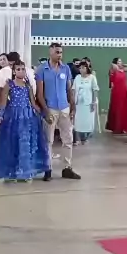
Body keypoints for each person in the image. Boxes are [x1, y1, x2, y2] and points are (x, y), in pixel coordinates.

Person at [0, 60, 50, 181]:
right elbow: (3, 103)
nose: (21, 71)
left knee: (26, 144)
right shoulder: (9, 84)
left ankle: (25, 171)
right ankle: (13, 171)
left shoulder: (28, 85)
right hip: (13, 116)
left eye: (23, 69)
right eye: (18, 69)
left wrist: (43, 114)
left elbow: (33, 103)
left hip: (28, 117)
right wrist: (0, 115)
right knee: (13, 143)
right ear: (14, 71)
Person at [35, 42, 80, 180]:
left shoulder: (66, 69)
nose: (59, 55)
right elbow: (40, 94)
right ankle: (47, 169)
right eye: (57, 52)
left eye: (61, 52)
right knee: (48, 141)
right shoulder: (42, 70)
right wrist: (46, 110)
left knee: (68, 139)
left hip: (64, 108)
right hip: (50, 109)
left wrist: (72, 107)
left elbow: (69, 89)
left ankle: (67, 168)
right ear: (50, 52)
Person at [72, 61, 99, 144]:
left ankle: (86, 137)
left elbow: (95, 90)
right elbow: (73, 89)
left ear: (87, 68)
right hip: (78, 103)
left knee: (88, 122)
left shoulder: (92, 78)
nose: (81, 70)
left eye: (83, 68)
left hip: (88, 103)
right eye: (80, 68)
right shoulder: (77, 77)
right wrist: (73, 102)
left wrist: (93, 102)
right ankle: (78, 138)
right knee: (78, 122)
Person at [106, 57, 127, 135]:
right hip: (117, 92)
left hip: (124, 92)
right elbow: (112, 69)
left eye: (121, 61)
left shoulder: (123, 70)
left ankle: (123, 127)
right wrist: (115, 65)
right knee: (117, 109)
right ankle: (116, 127)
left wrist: (123, 65)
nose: (120, 63)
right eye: (118, 62)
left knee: (123, 109)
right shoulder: (113, 70)